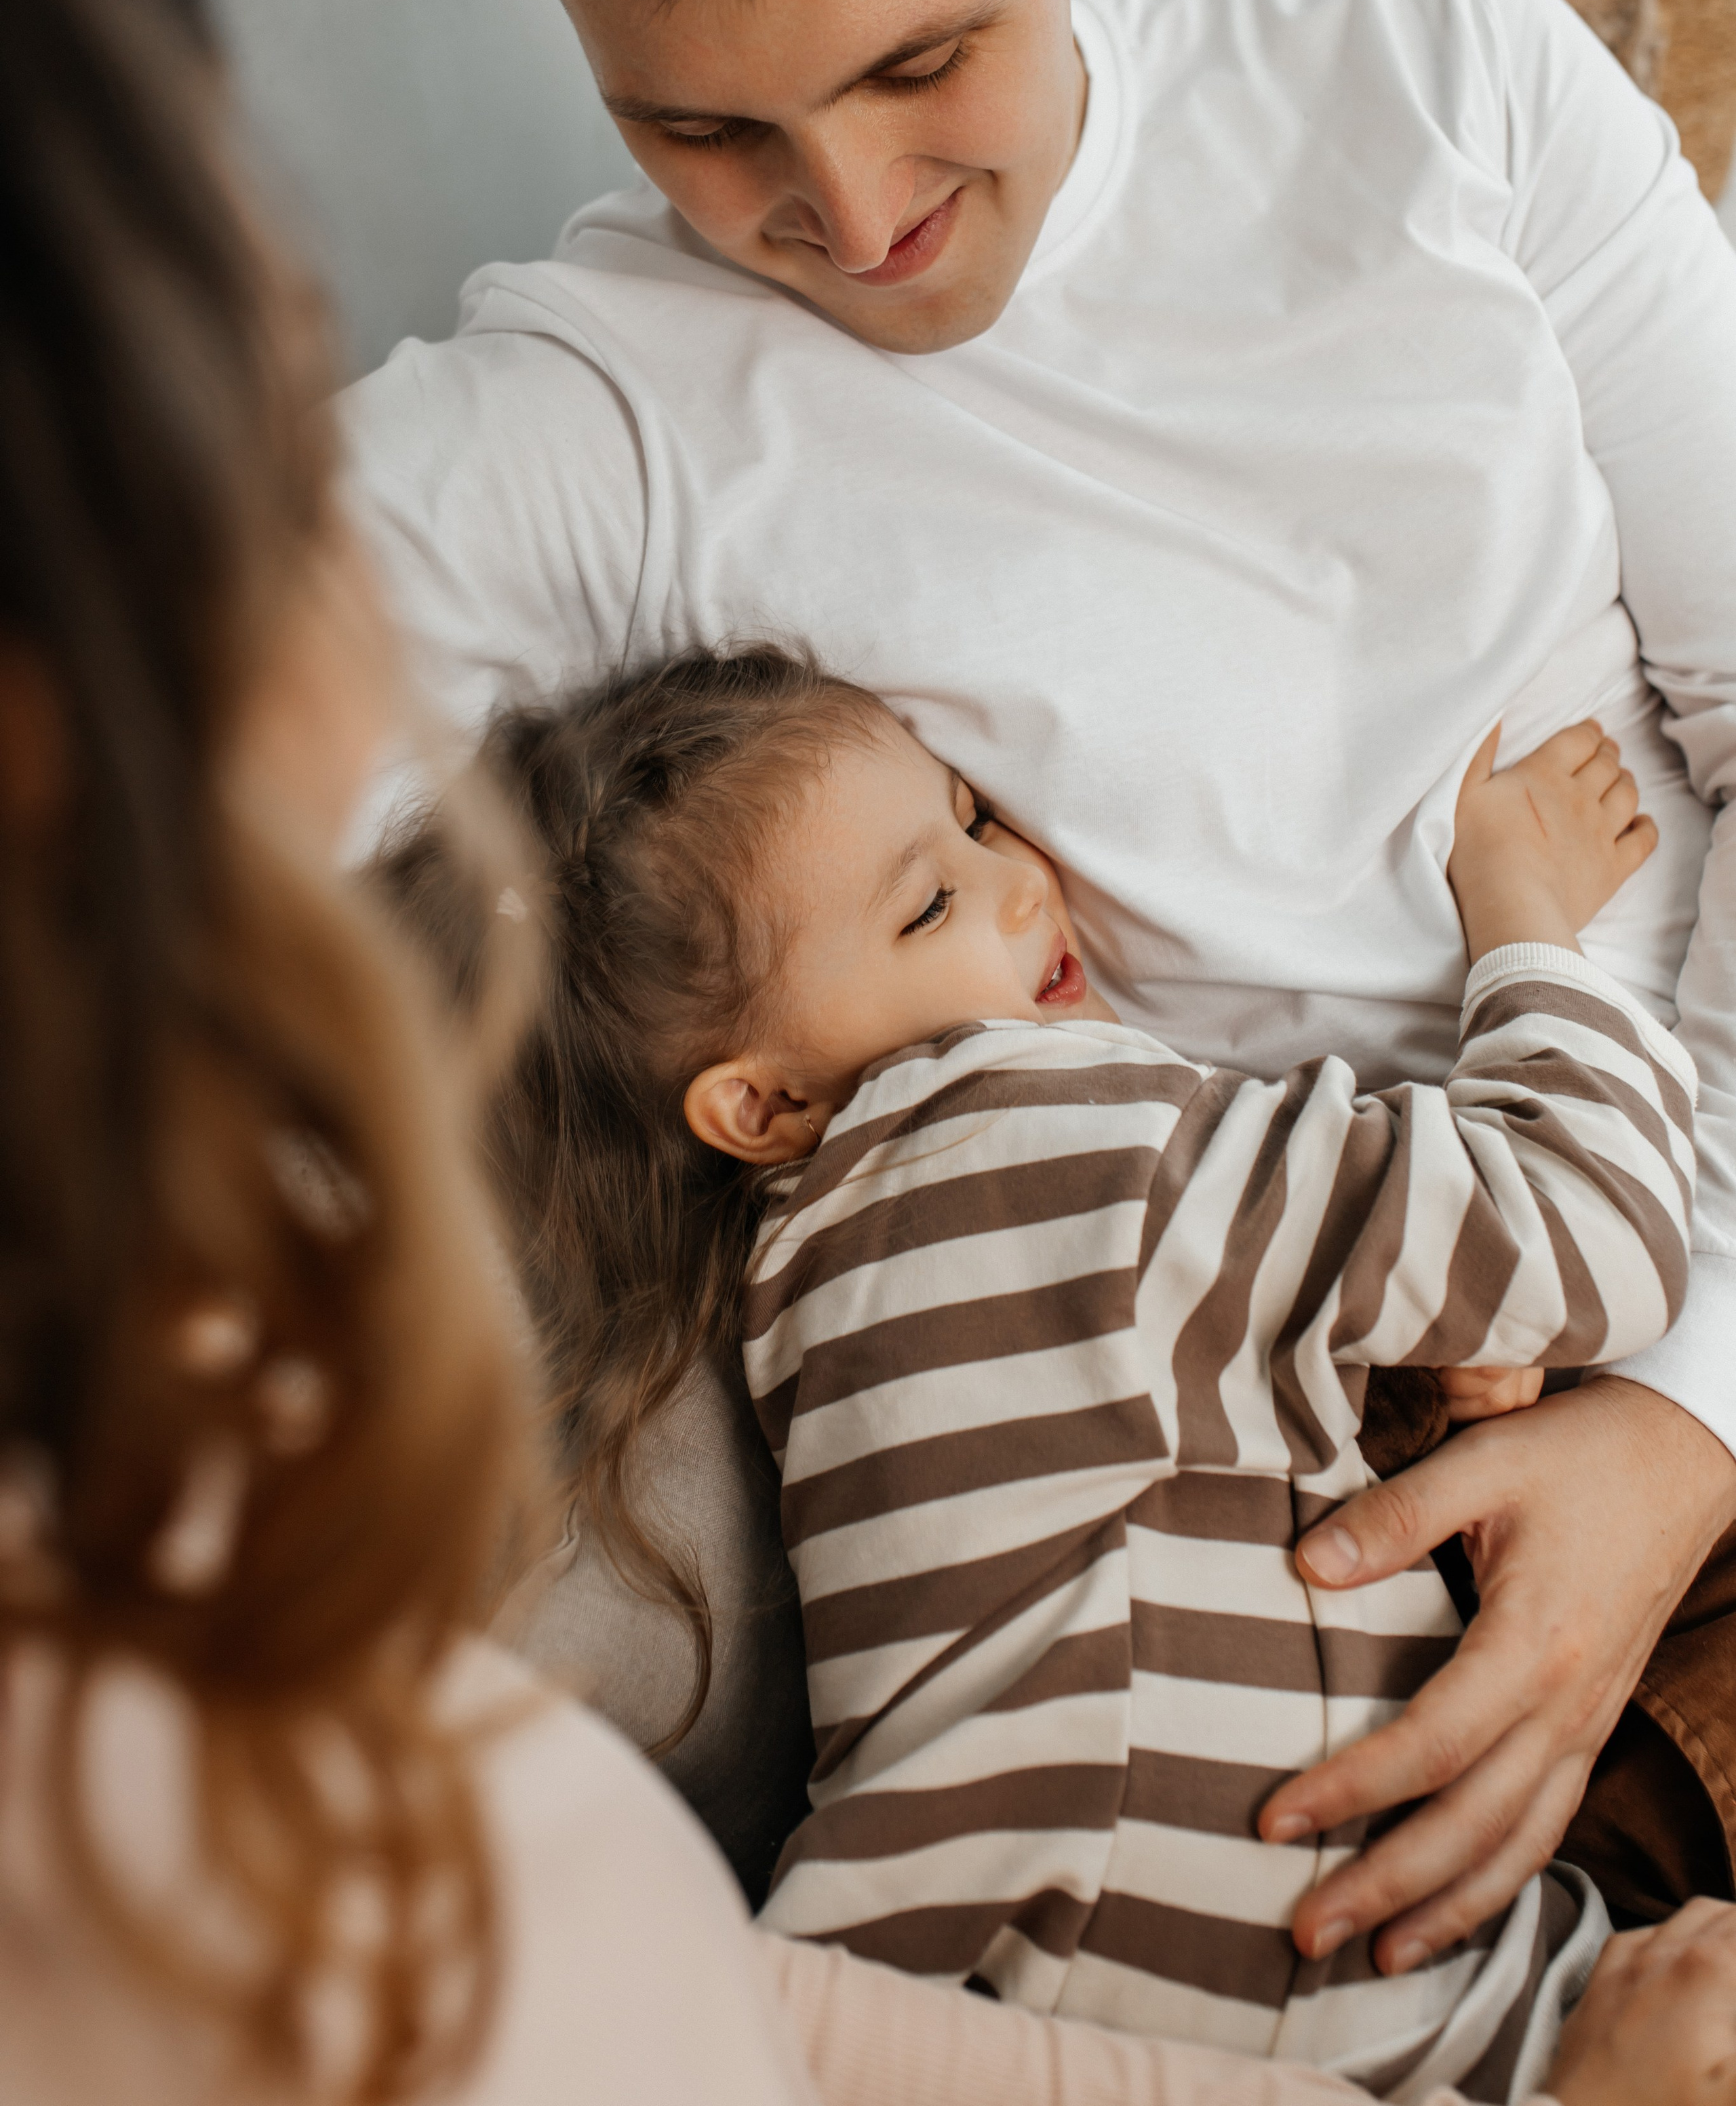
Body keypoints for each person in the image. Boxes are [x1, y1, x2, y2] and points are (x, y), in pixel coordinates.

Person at [20, 0, 1719, 2106]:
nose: (850, 210)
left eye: (924, 60)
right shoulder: (601, 416)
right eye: (701, 126)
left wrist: (1689, 1419)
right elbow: (180, 698)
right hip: (1419, 1504)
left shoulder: (1435, 65)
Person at [397, 645, 1683, 2095]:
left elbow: (1160, 1484)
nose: (1020, 881)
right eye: (927, 903)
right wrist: (1523, 909)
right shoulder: (1042, 1131)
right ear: (761, 1100)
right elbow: (1592, 1228)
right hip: (1326, 1994)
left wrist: (1424, 1361)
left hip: (1001, 1983)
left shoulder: (810, 1280)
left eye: (972, 815)